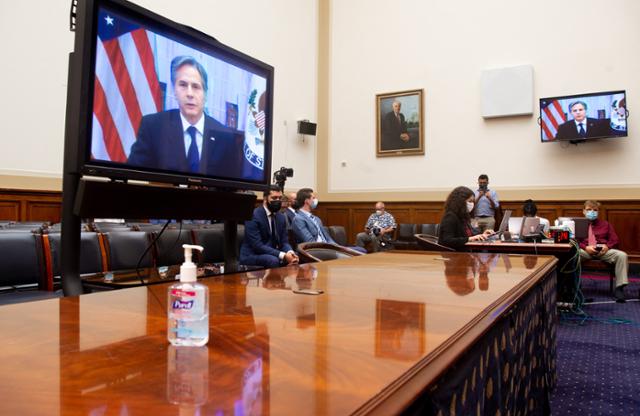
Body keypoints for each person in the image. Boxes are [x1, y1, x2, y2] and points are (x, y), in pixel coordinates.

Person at [128, 55, 243, 177]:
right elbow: (131, 175)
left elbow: (233, 187)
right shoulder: (152, 126)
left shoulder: (225, 137)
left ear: (205, 94)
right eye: (183, 85)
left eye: (196, 87)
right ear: (174, 90)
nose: (189, 94)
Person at [577, 200, 629, 302]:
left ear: (598, 212)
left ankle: (619, 288)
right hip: (585, 250)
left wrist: (607, 246)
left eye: (595, 210)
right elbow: (574, 241)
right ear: (583, 211)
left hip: (603, 251)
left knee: (622, 255)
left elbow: (615, 240)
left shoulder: (605, 224)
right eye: (589, 209)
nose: (592, 212)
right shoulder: (577, 224)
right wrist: (585, 247)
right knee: (573, 255)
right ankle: (575, 288)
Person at [239, 185, 299, 269]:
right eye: (274, 198)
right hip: (252, 254)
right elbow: (257, 246)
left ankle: (282, 281)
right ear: (265, 198)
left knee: (297, 255)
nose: (278, 201)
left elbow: (284, 242)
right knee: (273, 260)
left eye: (280, 198)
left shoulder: (281, 217)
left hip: (271, 253)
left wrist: (290, 252)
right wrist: (283, 255)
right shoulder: (253, 215)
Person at [292, 188, 366, 253]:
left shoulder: (316, 219)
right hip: (315, 251)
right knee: (360, 251)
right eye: (313, 198)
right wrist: (329, 248)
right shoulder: (298, 219)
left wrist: (338, 247)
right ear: (307, 201)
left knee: (361, 249)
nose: (315, 200)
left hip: (328, 248)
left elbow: (327, 238)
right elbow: (310, 242)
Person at [438, 186, 494, 251]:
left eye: (473, 202)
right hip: (453, 256)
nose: (472, 204)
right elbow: (447, 240)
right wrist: (469, 239)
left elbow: (468, 235)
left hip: (465, 253)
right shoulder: (450, 217)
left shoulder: (463, 216)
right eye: (470, 201)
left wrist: (482, 234)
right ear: (460, 201)